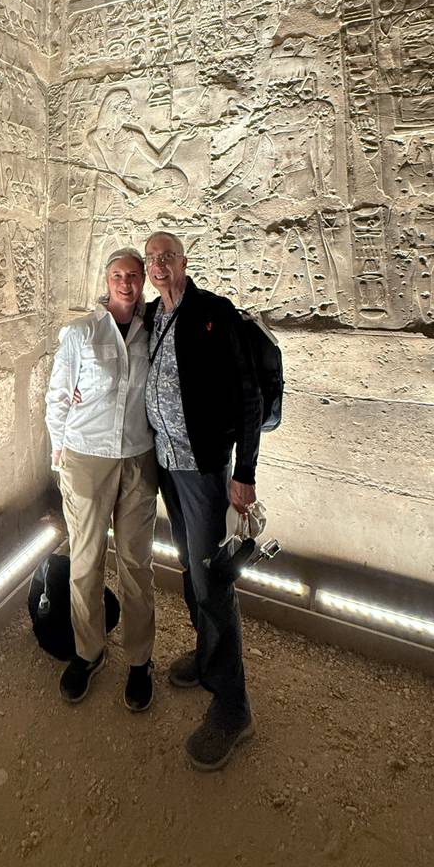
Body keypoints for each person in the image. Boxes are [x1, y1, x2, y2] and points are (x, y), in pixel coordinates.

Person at [143, 230, 263, 770]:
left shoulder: (215, 312)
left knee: (212, 581)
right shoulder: (151, 317)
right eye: (150, 259)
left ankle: (232, 707)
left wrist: (245, 472)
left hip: (205, 470)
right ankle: (206, 654)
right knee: (193, 574)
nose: (158, 266)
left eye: (166, 257)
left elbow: (248, 394)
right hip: (167, 466)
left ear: (184, 262)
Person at [45, 248, 157, 711]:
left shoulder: (157, 332)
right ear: (106, 280)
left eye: (133, 275)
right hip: (86, 456)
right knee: (86, 560)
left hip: (137, 457)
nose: (125, 282)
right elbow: (57, 395)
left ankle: (139, 660)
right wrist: (60, 452)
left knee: (135, 563)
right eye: (117, 275)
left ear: (143, 281)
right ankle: (88, 651)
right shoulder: (80, 333)